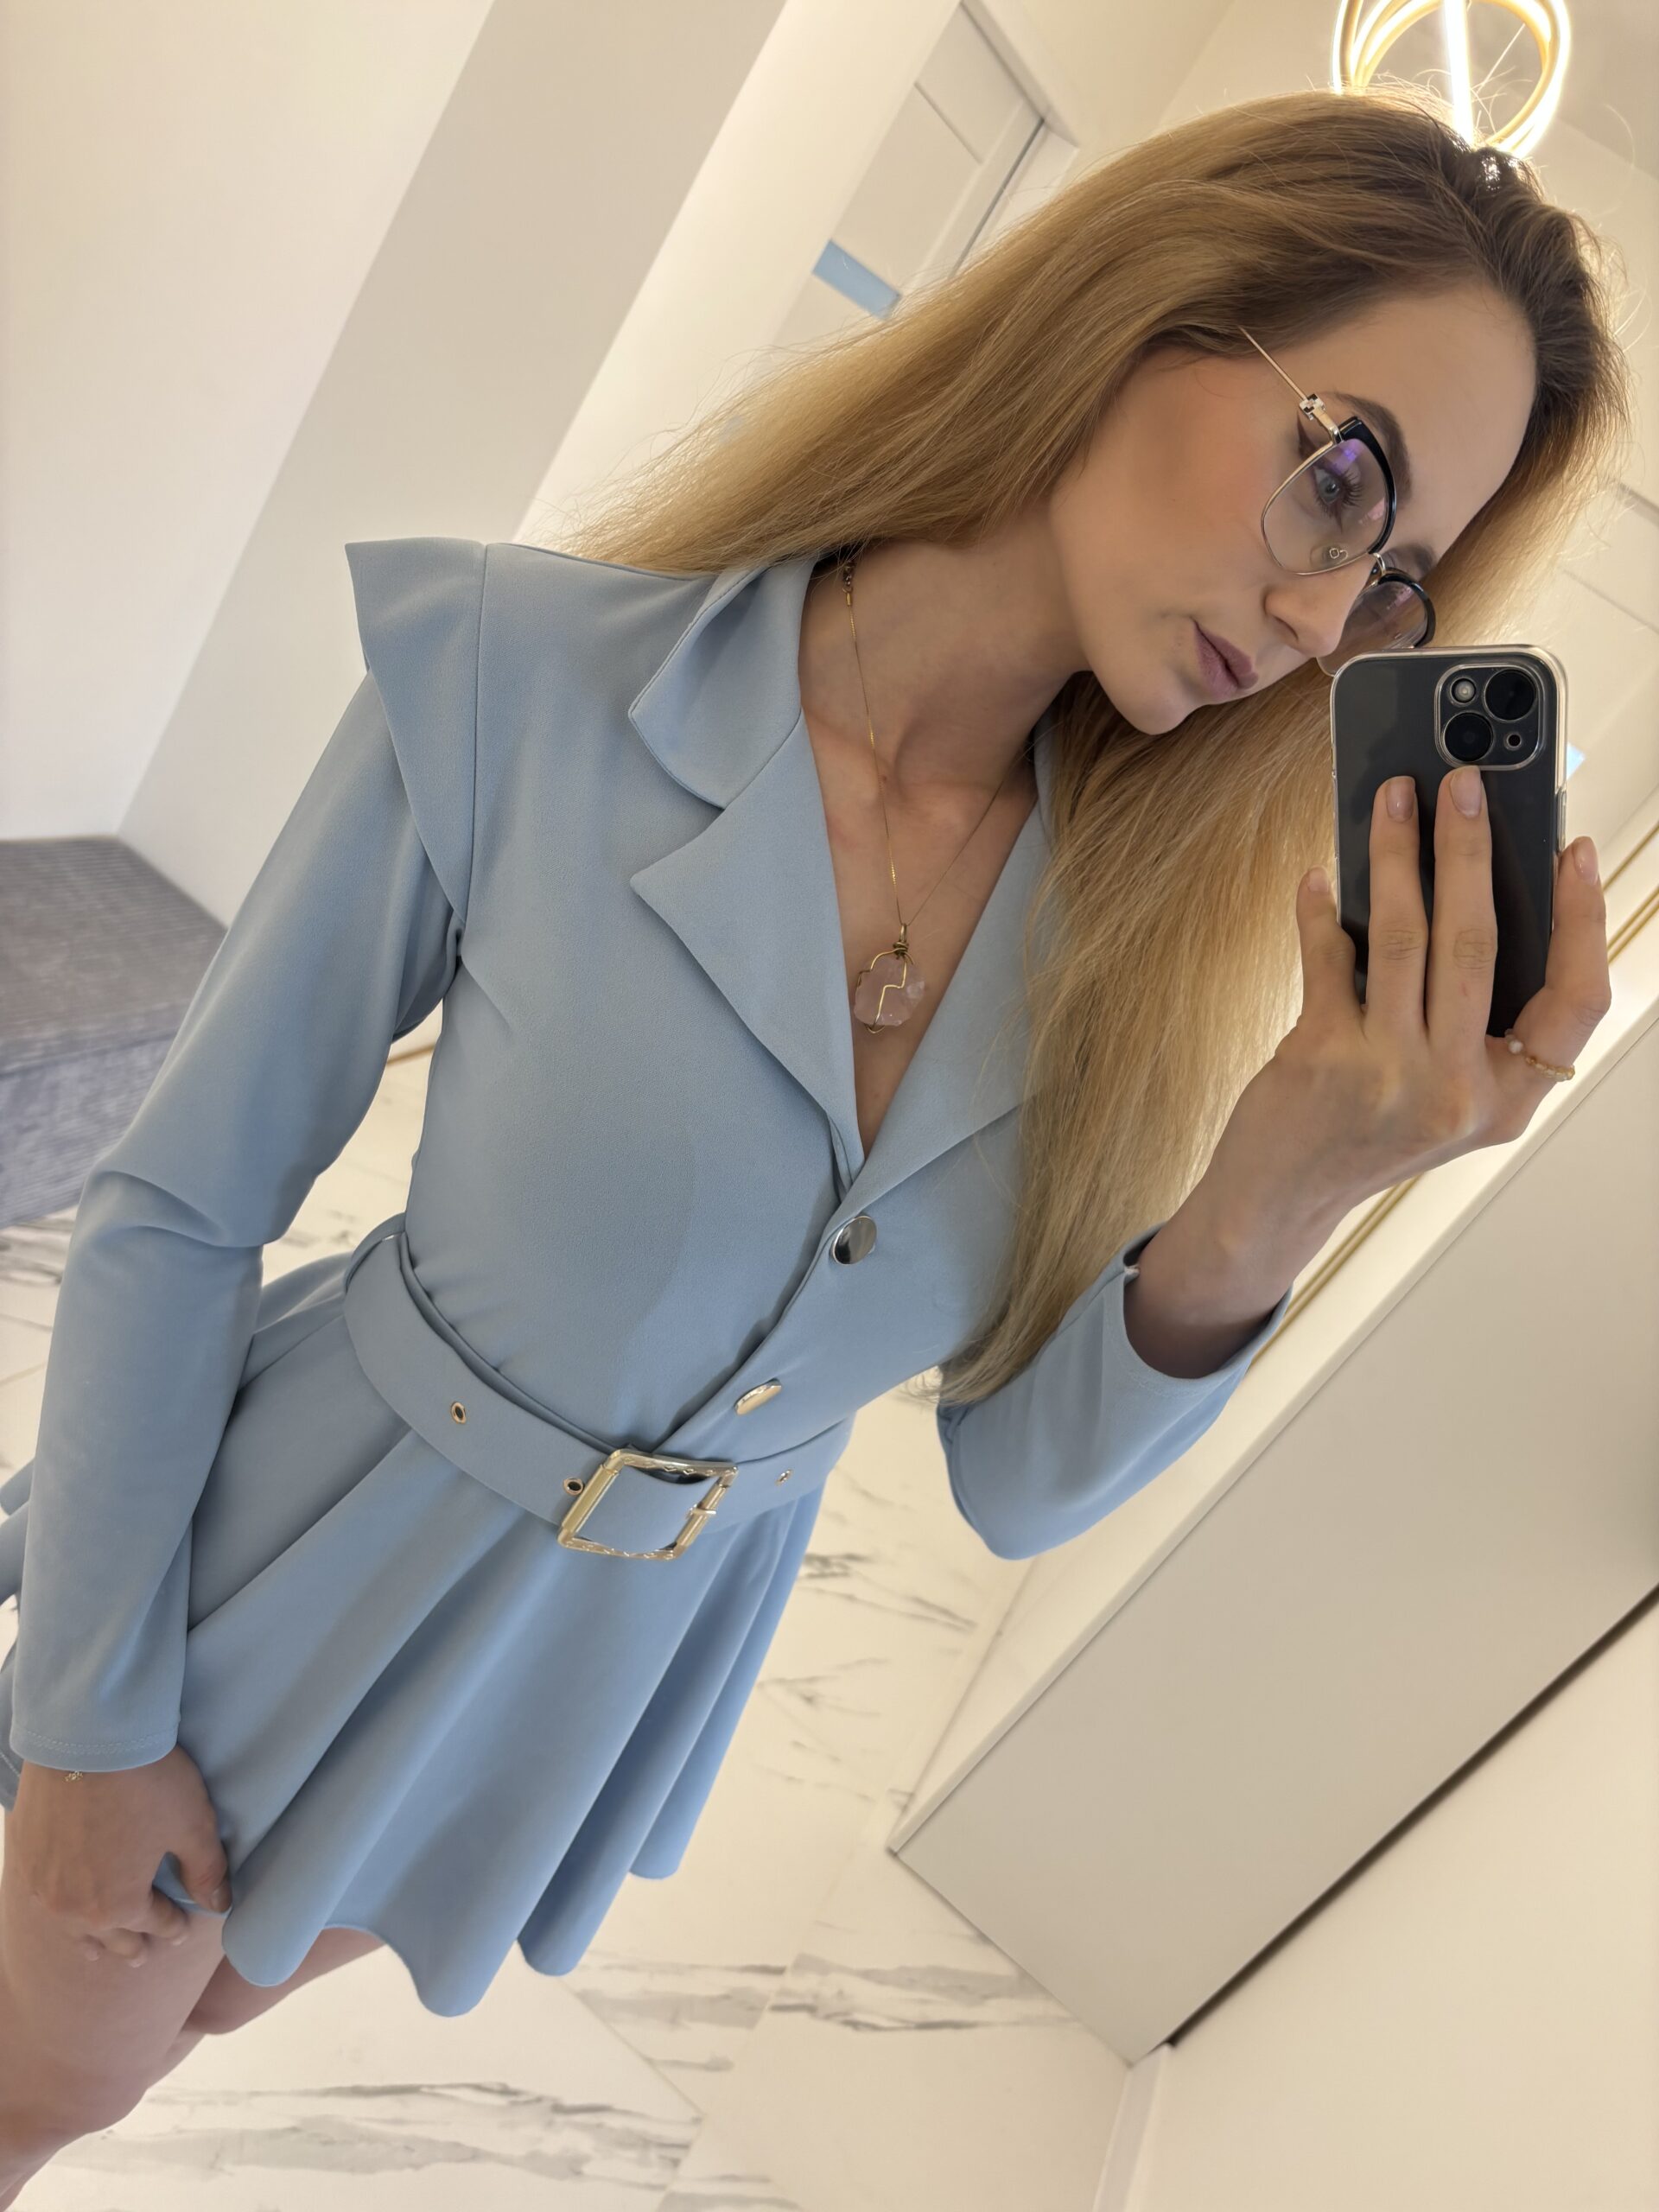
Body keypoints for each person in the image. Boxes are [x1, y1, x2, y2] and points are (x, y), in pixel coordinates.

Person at [0, 79, 1629, 2195]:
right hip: (290, 1564)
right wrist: (91, 1715)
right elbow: (178, 1203)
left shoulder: (1126, 955)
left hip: (576, 1696)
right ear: (1147, 307)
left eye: (1395, 585)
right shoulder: (526, 673)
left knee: (160, 2045)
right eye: (1344, 480)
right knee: (47, 2079)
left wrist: (1285, 1183)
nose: (1329, 623)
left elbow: (1008, 1475)